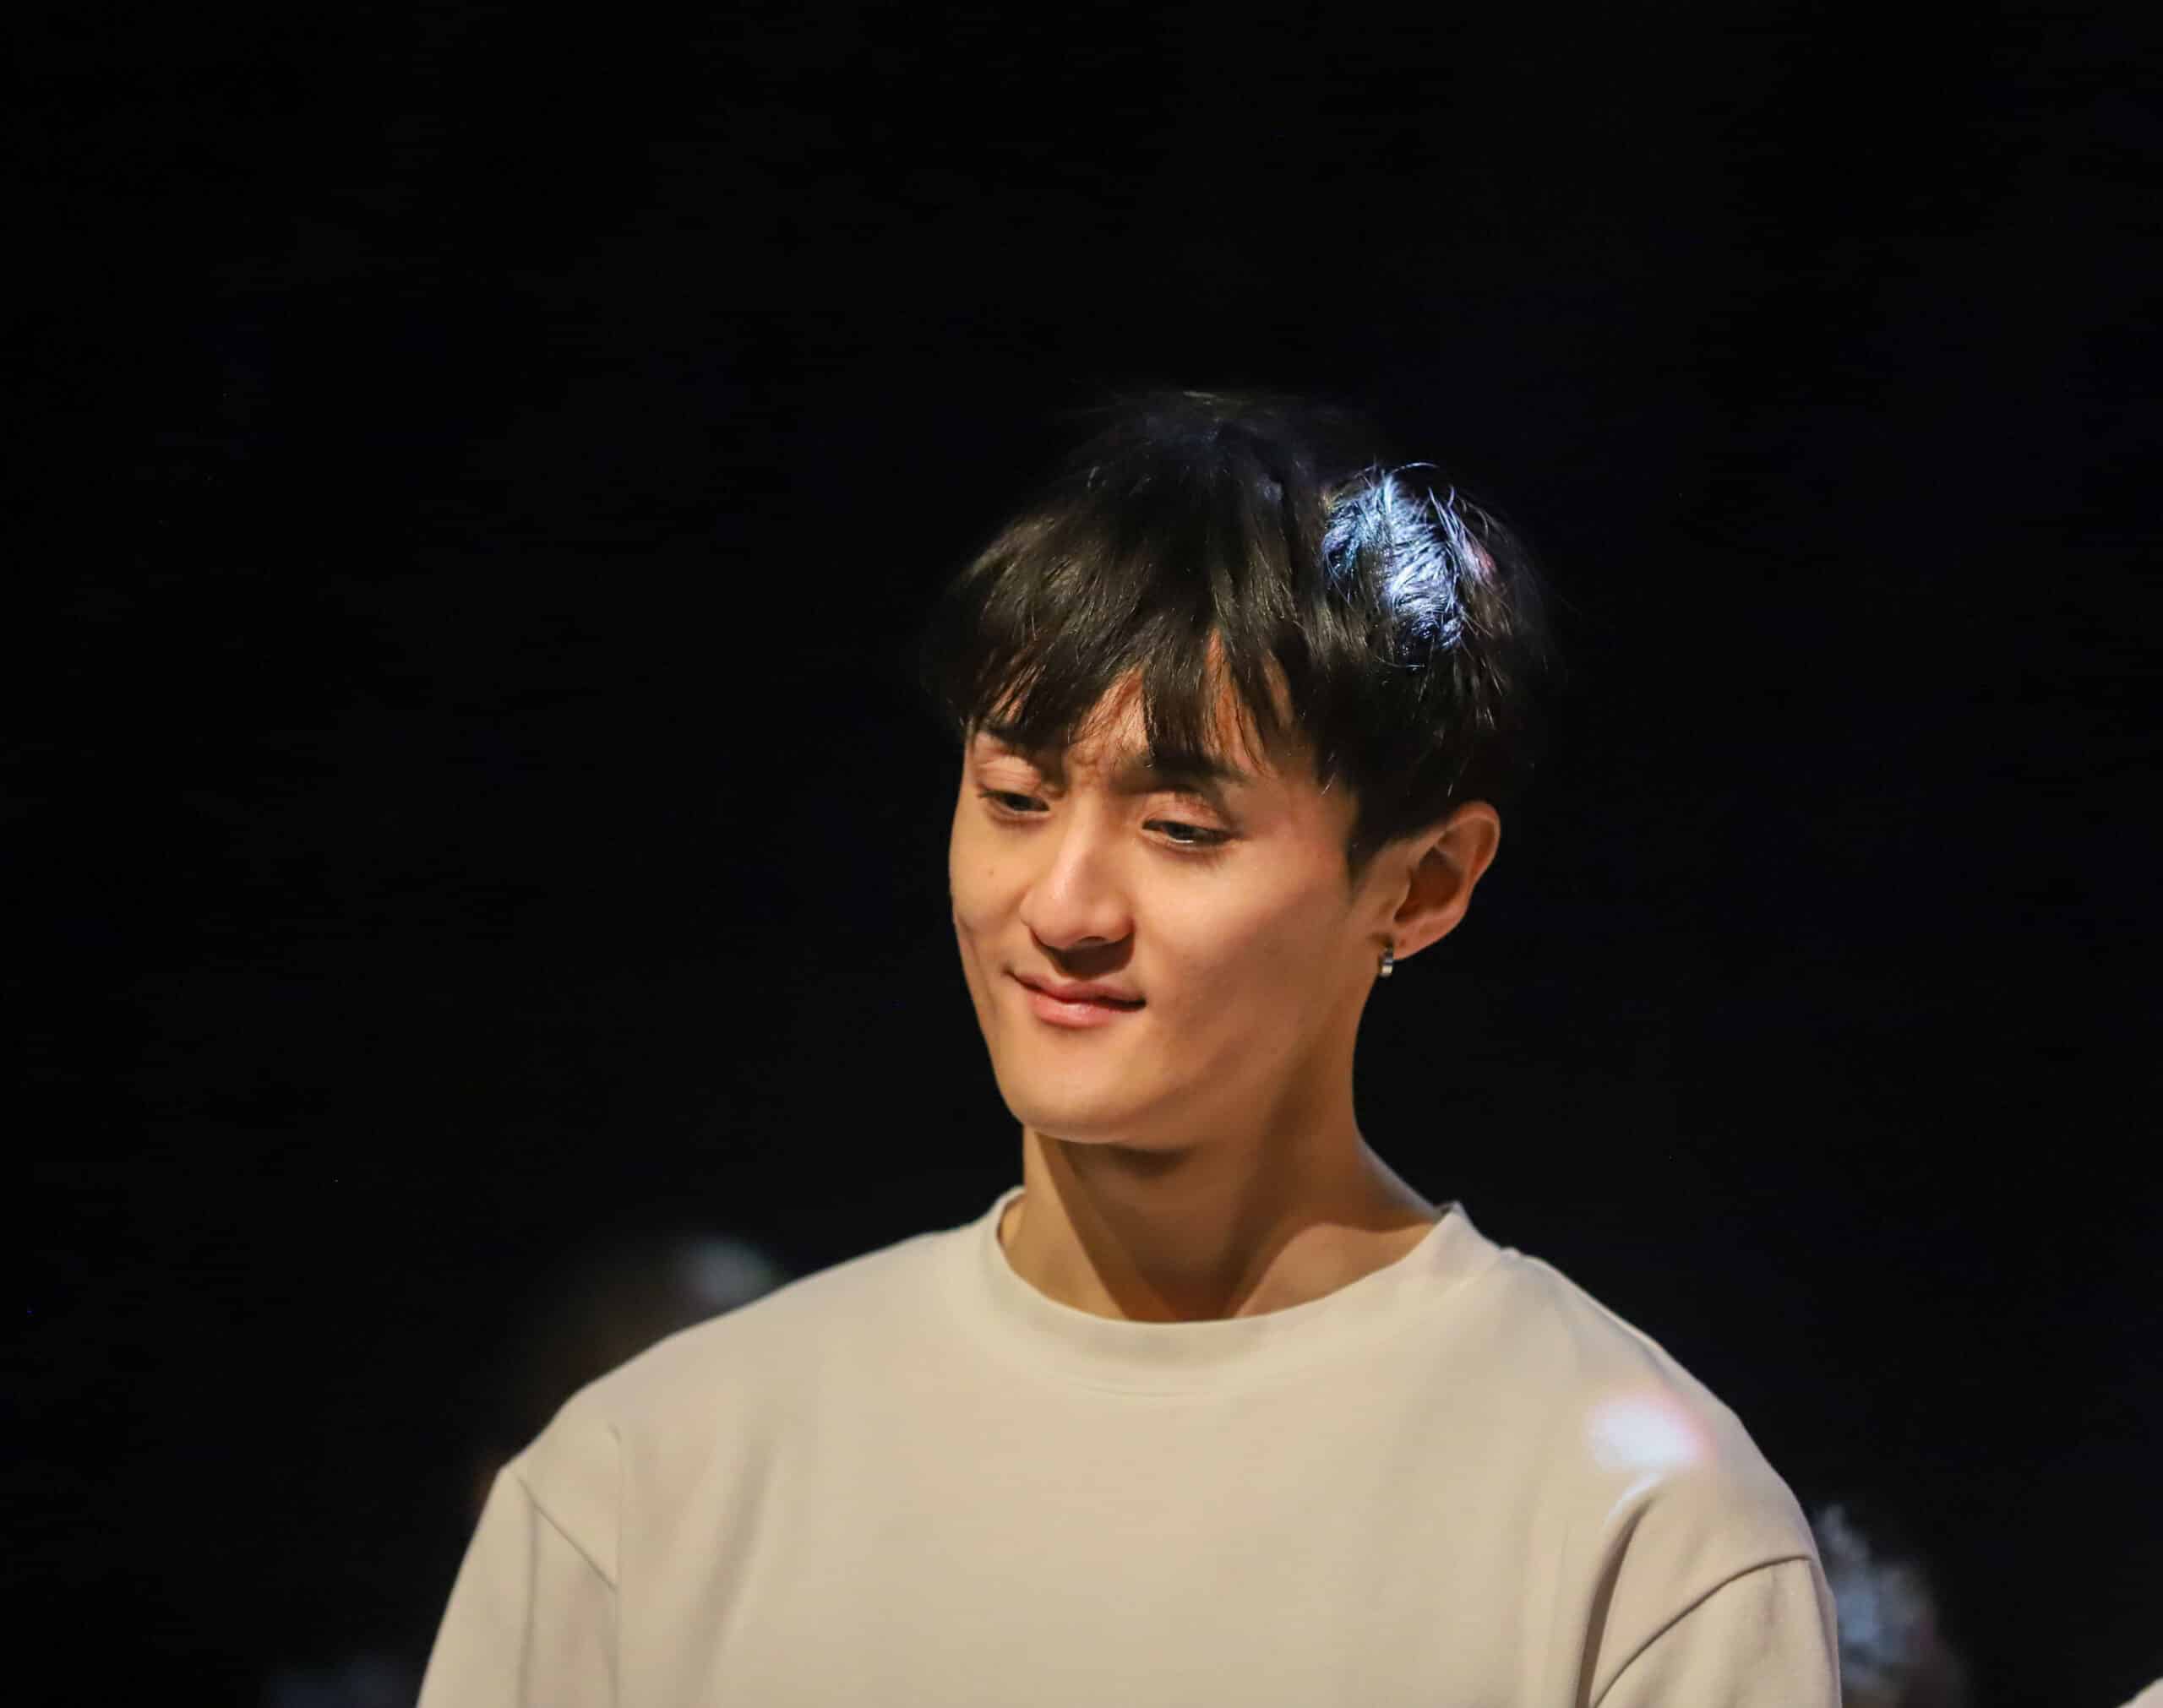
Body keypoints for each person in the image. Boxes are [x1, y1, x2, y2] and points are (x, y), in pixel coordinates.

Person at [417, 384, 1843, 1705]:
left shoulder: (1637, 1532)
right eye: (1015, 796)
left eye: (1180, 827)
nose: (1063, 907)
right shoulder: (645, 1486)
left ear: (1423, 883)